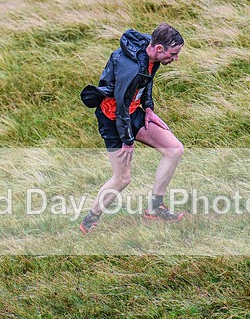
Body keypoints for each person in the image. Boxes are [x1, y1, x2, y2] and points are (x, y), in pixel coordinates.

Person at [79, 24, 186, 234]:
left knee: (174, 150)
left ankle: (154, 209)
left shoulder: (150, 52)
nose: (175, 58)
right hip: (114, 119)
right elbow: (120, 108)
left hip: (133, 111)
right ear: (158, 49)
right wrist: (127, 141)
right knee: (122, 178)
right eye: (173, 54)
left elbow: (148, 79)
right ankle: (90, 220)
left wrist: (148, 108)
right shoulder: (132, 71)